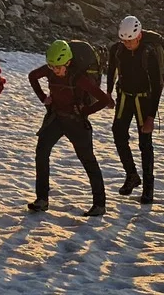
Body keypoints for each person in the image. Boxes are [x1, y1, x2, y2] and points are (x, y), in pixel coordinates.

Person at [27, 39, 115, 217]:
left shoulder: (78, 78)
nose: (54, 70)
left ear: (67, 62)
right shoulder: (51, 70)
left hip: (76, 122)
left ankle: (99, 204)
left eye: (58, 67)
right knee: (41, 152)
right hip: (56, 118)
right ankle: (42, 199)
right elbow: (32, 76)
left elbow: (104, 100)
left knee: (88, 160)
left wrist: (85, 111)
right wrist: (44, 98)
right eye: (51, 67)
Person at [106, 15, 164, 204]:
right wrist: (108, 93)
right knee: (118, 133)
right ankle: (131, 174)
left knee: (145, 144)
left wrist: (150, 117)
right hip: (125, 96)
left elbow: (157, 85)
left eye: (130, 41)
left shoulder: (148, 53)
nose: (127, 44)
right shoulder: (117, 50)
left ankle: (149, 188)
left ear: (139, 36)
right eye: (124, 41)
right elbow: (111, 71)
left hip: (144, 100)